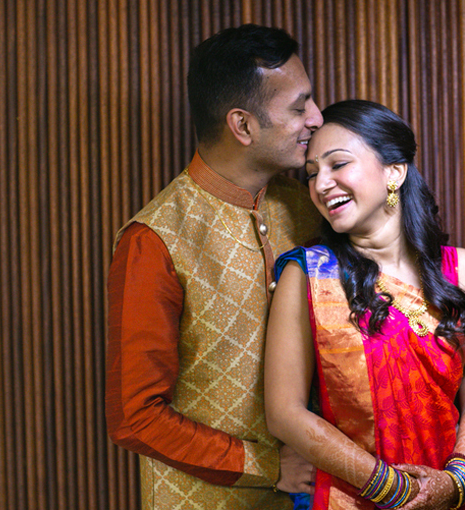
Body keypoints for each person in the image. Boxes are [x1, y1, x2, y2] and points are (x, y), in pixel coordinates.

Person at [105, 24, 324, 509]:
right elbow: (135, 416)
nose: (317, 117)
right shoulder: (155, 240)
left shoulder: (311, 208)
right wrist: (270, 468)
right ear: (242, 125)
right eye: (298, 106)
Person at [265, 99, 465, 509]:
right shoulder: (307, 275)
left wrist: (454, 481)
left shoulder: (459, 270)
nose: (320, 185)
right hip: (346, 498)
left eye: (338, 165)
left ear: (395, 170)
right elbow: (284, 413)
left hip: (445, 497)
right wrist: (394, 489)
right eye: (312, 173)